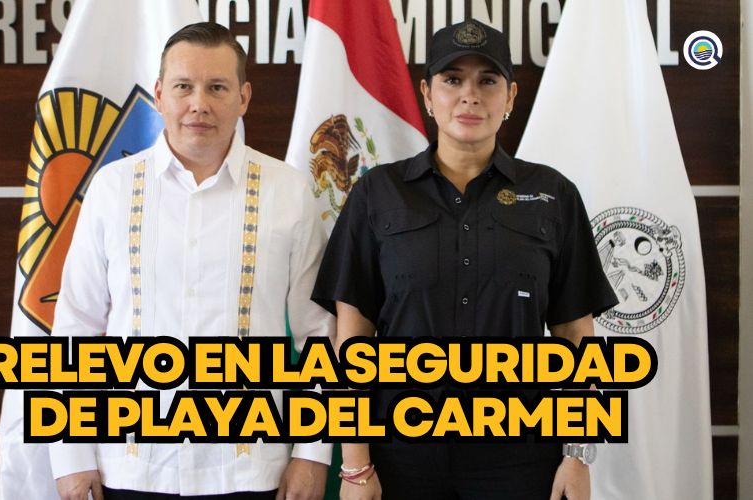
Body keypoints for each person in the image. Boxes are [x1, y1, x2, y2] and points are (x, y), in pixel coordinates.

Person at [312, 19, 618, 500]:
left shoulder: (553, 194)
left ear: (510, 96)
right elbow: (352, 341)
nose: (469, 96)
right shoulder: (377, 193)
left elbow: (576, 338)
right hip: (400, 455)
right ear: (427, 94)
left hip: (520, 457)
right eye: (452, 79)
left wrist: (577, 455)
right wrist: (355, 466)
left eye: (487, 81)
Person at [49, 22, 335, 500]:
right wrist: (71, 459)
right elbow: (75, 327)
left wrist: (312, 453)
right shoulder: (111, 189)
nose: (199, 104)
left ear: (243, 97)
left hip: (250, 473)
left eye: (217, 87)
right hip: (132, 470)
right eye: (184, 86)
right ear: (160, 94)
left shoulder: (287, 191)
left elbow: (319, 334)